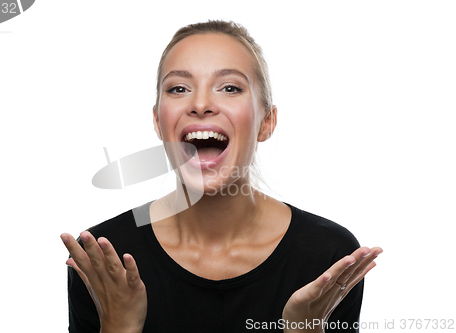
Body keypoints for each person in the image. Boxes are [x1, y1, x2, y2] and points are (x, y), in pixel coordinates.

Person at [61, 20, 382, 333]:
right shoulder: (104, 256)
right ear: (158, 122)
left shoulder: (327, 256)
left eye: (230, 87)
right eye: (178, 88)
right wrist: (119, 327)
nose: (201, 104)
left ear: (266, 122)